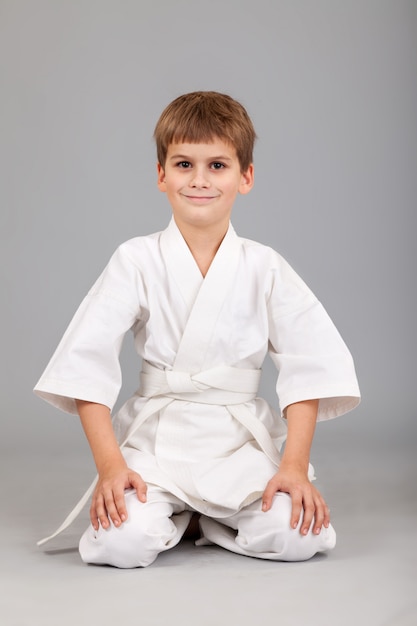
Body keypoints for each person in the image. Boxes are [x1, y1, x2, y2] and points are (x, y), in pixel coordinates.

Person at [34, 91, 360, 568]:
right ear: (161, 175)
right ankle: (179, 512)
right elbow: (84, 365)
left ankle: (207, 520)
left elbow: (310, 366)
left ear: (245, 177)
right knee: (121, 543)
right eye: (184, 164)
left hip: (238, 442)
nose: (200, 180)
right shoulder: (136, 259)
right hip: (157, 440)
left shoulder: (265, 266)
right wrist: (111, 468)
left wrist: (292, 467)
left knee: (296, 537)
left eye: (217, 166)